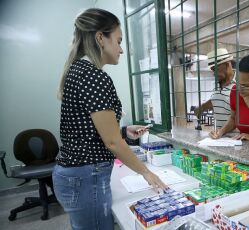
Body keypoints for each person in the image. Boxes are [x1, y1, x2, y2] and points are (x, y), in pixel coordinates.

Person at [53, 8, 167, 230]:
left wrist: (123, 132)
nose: (121, 49)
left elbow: (85, 129)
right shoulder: (93, 76)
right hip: (86, 175)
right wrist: (147, 173)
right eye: (118, 40)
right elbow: (112, 142)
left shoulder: (78, 70)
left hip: (76, 174)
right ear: (100, 38)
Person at [209, 54, 249, 143]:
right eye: (238, 83)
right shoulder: (235, 91)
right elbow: (232, 119)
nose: (239, 89)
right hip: (244, 149)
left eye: (245, 85)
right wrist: (221, 131)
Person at [194, 48, 236, 129]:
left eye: (215, 69)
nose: (214, 74)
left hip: (236, 137)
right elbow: (218, 99)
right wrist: (202, 107)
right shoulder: (218, 83)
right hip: (217, 135)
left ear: (227, 64)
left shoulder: (241, 82)